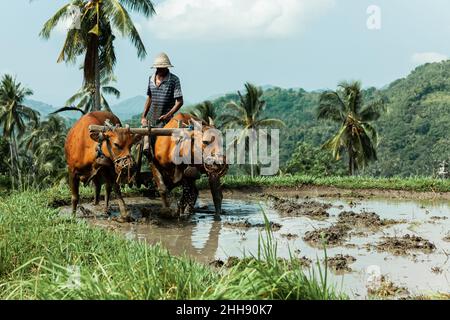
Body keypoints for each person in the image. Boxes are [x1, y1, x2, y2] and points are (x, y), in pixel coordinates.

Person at [141, 52, 184, 155]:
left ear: (166, 67)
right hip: (151, 118)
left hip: (166, 121)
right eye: (157, 68)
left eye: (161, 68)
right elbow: (149, 98)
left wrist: (167, 115)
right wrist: (143, 116)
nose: (159, 70)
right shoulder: (151, 79)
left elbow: (179, 102)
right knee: (147, 147)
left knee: (163, 149)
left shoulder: (174, 80)